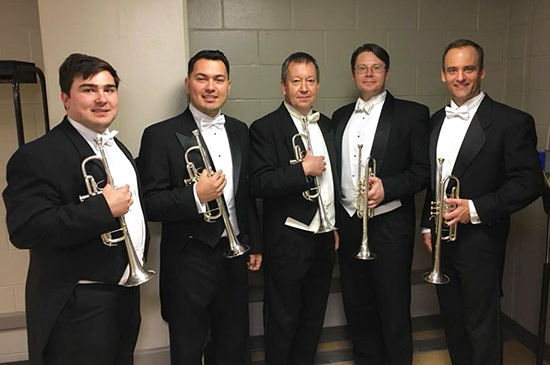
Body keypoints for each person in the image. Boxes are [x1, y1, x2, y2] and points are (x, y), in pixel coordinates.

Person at [2, 53, 149, 365]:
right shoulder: (35, 156)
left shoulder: (117, 148)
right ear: (65, 99)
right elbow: (25, 228)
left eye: (109, 89)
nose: (101, 98)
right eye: (88, 89)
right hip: (78, 304)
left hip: (123, 296)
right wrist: (101, 209)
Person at [421, 39, 544, 365]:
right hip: (443, 244)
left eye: (468, 68)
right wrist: (426, 226)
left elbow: (529, 182)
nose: (460, 77)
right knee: (454, 328)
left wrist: (475, 208)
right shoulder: (435, 121)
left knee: (482, 332)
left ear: (482, 71)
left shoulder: (511, 121)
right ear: (443, 76)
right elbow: (436, 180)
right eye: (453, 70)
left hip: (481, 244)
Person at [137, 49, 262, 365]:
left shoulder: (240, 130)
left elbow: (245, 194)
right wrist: (196, 195)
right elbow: (151, 203)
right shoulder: (159, 134)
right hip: (188, 258)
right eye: (202, 78)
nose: (210, 86)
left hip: (234, 254)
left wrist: (254, 242)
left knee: (234, 342)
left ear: (228, 85)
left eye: (218, 79)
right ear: (188, 83)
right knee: (189, 345)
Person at [331, 43, 430, 365]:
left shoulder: (412, 114)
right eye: (362, 68)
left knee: (393, 304)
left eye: (376, 67)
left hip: (389, 225)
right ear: (353, 74)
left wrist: (388, 187)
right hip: (348, 225)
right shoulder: (340, 116)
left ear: (387, 72)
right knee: (357, 306)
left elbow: (423, 172)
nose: (369, 73)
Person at [249, 52, 339, 365]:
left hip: (325, 237)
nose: (304, 87)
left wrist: (334, 223)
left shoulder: (328, 126)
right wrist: (301, 170)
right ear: (283, 86)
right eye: (296, 80)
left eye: (310, 80)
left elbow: (333, 183)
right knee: (282, 317)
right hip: (289, 237)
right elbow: (258, 184)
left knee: (313, 315)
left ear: (317, 85)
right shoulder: (264, 128)